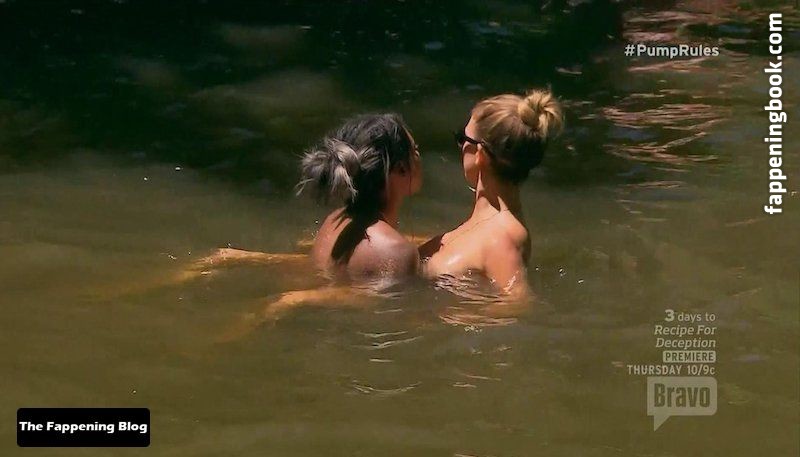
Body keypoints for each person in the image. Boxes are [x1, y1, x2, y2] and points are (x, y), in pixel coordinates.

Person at [419, 88, 563, 304]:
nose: (460, 146)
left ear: (481, 155)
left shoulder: (501, 238)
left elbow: (518, 305)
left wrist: (449, 317)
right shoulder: (489, 226)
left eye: (462, 138)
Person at [298, 113, 423, 282]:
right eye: (415, 151)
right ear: (401, 168)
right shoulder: (398, 252)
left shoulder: (334, 221)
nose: (419, 157)